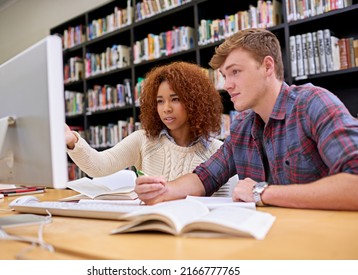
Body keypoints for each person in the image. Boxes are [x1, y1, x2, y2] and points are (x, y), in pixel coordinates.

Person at [135, 28, 358, 210]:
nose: (227, 85)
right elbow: (205, 177)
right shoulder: (243, 125)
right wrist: (163, 191)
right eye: (224, 76)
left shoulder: (313, 104)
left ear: (267, 66)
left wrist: (261, 192)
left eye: (235, 72)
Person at [65, 61, 224, 181]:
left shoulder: (217, 150)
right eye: (160, 101)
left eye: (175, 99)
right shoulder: (143, 140)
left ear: (194, 102)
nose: (166, 108)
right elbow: (99, 167)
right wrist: (73, 141)